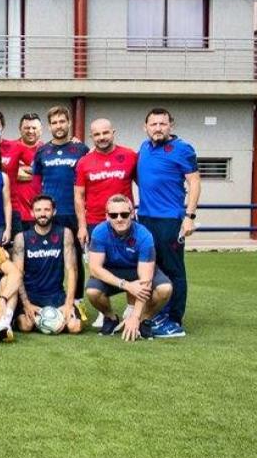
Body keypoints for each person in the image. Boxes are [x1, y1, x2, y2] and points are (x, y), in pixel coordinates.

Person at [136, 107, 199, 336]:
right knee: (152, 268)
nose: (158, 128)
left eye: (162, 124)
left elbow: (194, 183)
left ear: (170, 125)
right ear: (146, 127)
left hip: (169, 220)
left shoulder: (182, 148)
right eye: (153, 124)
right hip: (144, 219)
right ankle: (159, 312)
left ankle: (174, 320)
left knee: (174, 270)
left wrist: (189, 217)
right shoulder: (144, 148)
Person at [84, 194, 174, 341]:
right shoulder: (99, 232)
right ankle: (111, 319)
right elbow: (95, 268)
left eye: (124, 214)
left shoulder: (144, 235)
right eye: (113, 215)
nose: (119, 218)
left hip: (139, 271)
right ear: (107, 216)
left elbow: (145, 280)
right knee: (92, 292)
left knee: (165, 289)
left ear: (132, 213)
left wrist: (135, 316)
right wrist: (126, 285)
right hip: (112, 272)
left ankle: (144, 320)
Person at [32, 105, 89, 312]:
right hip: (50, 214)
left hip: (73, 213)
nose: (58, 126)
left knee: (75, 257)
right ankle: (50, 297)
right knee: (50, 256)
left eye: (62, 121)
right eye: (54, 122)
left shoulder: (81, 149)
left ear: (69, 123)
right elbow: (36, 184)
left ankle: (77, 301)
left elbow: (87, 181)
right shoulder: (42, 151)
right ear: (49, 126)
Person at [11, 195, 80, 334]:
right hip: (31, 295)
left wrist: (68, 303)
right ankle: (46, 319)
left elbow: (72, 270)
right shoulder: (22, 238)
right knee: (25, 326)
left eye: (47, 209)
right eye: (38, 210)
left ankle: (49, 318)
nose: (42, 214)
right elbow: (17, 274)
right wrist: (26, 304)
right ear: (32, 212)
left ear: (54, 211)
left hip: (56, 295)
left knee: (75, 327)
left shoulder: (65, 233)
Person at [73, 118, 137, 251]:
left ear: (113, 133)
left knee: (129, 265)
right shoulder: (83, 162)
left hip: (124, 220)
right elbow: (78, 196)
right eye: (97, 134)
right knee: (97, 266)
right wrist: (82, 226)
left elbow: (145, 185)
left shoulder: (130, 155)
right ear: (91, 137)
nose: (101, 137)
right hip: (95, 223)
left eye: (105, 133)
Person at [10, 113, 44, 234]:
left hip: (40, 214)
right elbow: (6, 174)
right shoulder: (10, 148)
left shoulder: (47, 151)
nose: (30, 131)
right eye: (27, 128)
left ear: (41, 130)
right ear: (20, 129)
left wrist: (22, 171)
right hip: (14, 213)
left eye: (34, 128)